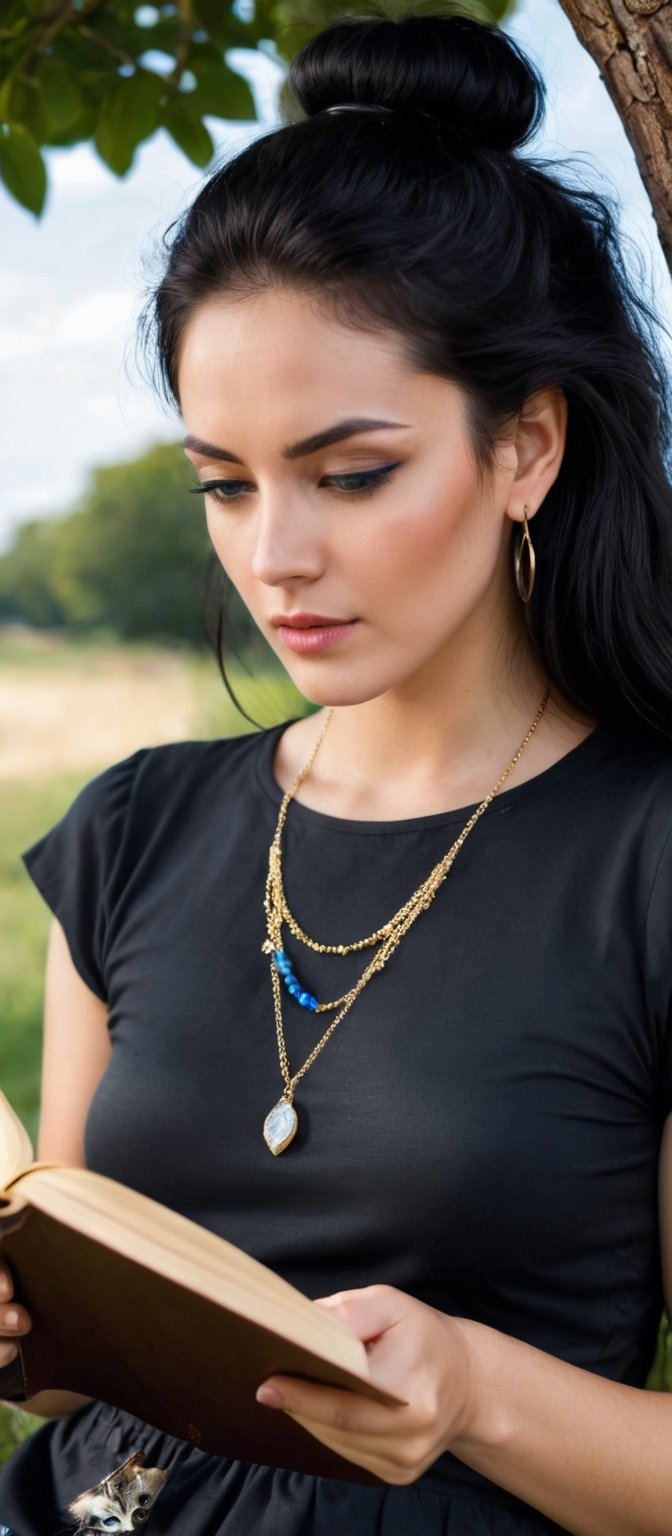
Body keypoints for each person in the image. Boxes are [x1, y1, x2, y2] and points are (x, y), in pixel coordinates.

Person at [1, 11, 672, 1535]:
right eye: (224, 485)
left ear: (528, 448)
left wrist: (474, 1388)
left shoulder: (648, 854)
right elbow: (71, 1377)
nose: (274, 558)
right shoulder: (133, 828)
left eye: (350, 475)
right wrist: (26, 1331)